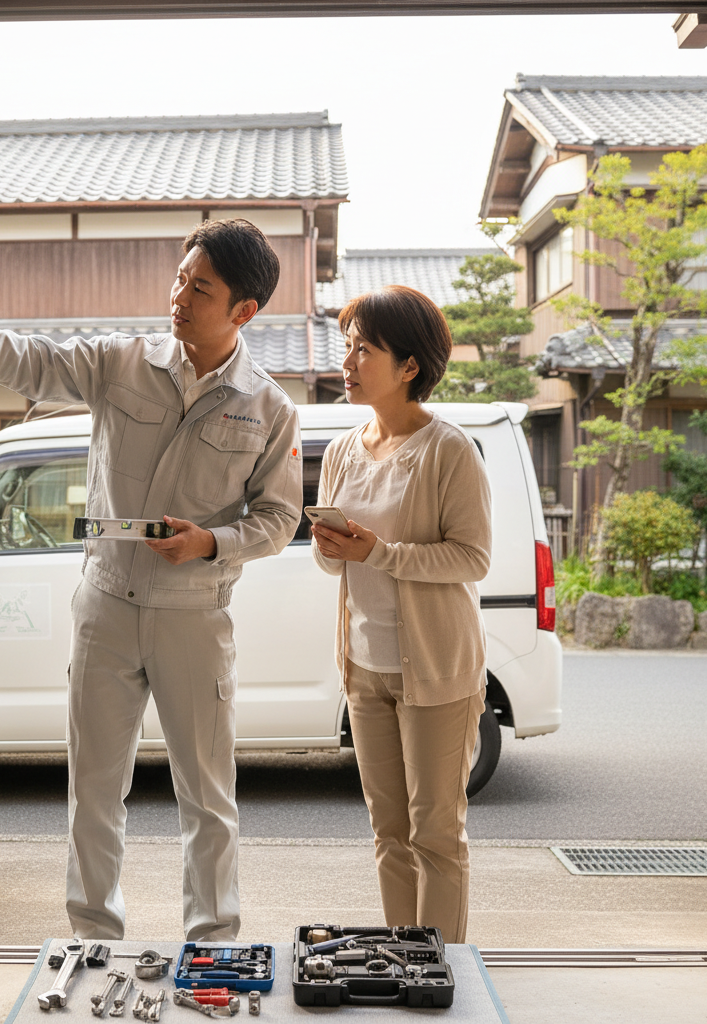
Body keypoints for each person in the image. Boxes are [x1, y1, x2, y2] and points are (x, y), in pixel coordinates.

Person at [0, 219, 303, 941]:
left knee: (207, 795)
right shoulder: (120, 360)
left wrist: (212, 542)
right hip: (105, 603)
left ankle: (211, 943)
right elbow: (34, 362)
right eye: (180, 277)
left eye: (199, 288)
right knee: (94, 791)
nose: (178, 296)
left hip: (194, 613)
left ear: (243, 311)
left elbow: (279, 518)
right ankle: (93, 941)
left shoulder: (269, 408)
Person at [310, 286, 491, 945]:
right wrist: (334, 551)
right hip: (365, 669)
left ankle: (442, 978)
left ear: (409, 366)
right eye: (347, 347)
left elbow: (471, 558)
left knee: (435, 833)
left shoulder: (448, 450)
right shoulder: (339, 451)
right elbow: (338, 567)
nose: (349, 361)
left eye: (365, 349)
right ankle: (400, 964)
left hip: (438, 672)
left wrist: (380, 552)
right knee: (388, 832)